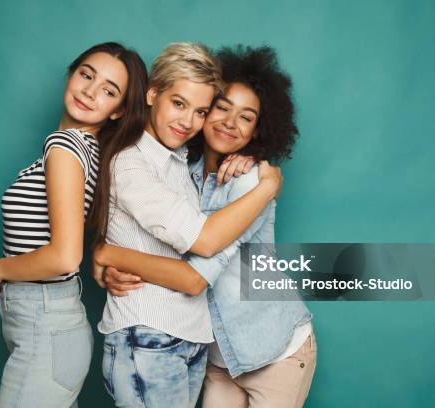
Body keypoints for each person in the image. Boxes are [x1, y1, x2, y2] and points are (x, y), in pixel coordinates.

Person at [95, 45, 315, 408]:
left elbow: (194, 277)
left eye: (246, 117)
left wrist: (109, 253)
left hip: (274, 349)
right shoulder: (183, 167)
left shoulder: (251, 183)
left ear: (259, 130)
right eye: (220, 108)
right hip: (216, 354)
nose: (229, 122)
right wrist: (102, 260)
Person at [0, 42, 148, 408]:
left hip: (46, 327)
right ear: (71, 74)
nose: (90, 90)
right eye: (86, 75)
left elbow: (66, 257)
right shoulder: (88, 149)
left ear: (118, 111)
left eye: (108, 90)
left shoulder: (65, 145)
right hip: (47, 326)